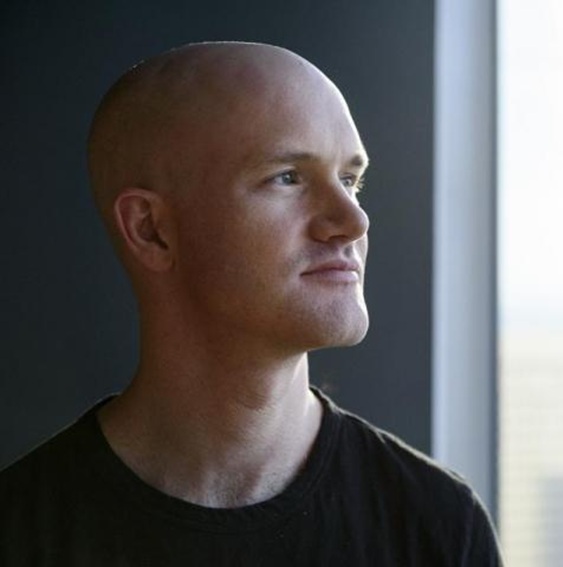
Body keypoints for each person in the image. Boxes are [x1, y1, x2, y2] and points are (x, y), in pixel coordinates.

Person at [0, 41, 502, 566]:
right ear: (151, 230)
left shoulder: (438, 525)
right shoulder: (17, 535)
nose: (354, 221)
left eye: (351, 181)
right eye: (288, 178)